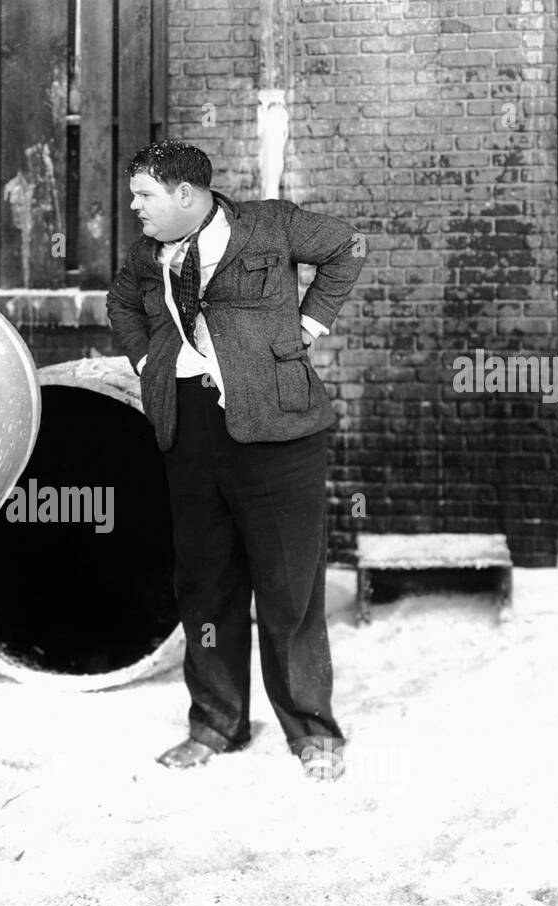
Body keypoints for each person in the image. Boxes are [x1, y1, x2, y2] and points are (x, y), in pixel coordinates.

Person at [106, 142, 365, 780]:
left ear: (185, 195)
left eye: (144, 195)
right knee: (205, 583)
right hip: (189, 430)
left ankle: (310, 729)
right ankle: (216, 722)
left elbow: (346, 249)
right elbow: (120, 305)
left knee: (290, 587)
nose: (134, 206)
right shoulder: (147, 252)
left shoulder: (271, 225)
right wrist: (149, 363)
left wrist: (306, 329)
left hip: (280, 429)